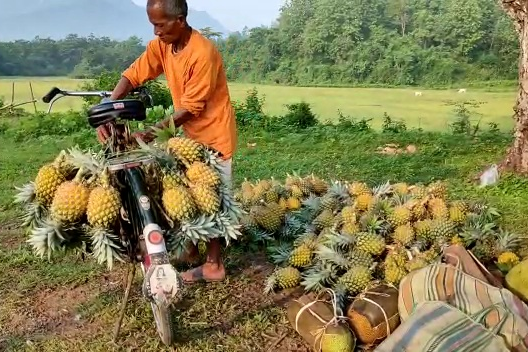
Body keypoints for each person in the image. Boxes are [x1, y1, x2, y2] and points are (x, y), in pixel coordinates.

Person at [96, 0, 237, 284]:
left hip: (214, 135)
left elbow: (190, 108)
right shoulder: (163, 45)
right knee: (186, 190)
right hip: (187, 137)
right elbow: (132, 74)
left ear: (180, 20)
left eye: (160, 24)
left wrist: (147, 133)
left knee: (214, 200)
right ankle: (188, 248)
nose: (156, 31)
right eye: (152, 24)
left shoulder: (202, 53)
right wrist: (109, 109)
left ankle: (213, 265)